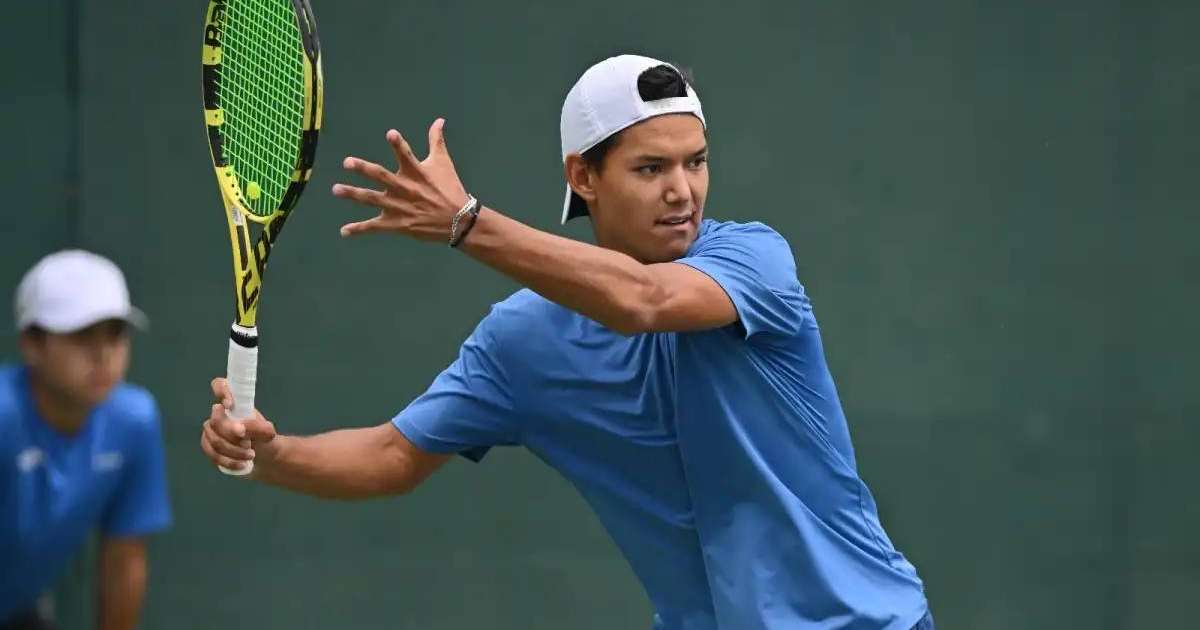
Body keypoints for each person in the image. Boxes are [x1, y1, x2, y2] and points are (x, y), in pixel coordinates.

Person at [200, 54, 933, 629]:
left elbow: (642, 300)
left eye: (695, 161)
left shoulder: (755, 261)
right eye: (652, 168)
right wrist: (273, 457)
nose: (683, 190)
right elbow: (394, 455)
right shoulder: (523, 342)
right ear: (583, 176)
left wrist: (465, 222)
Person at [1, 251, 172, 630]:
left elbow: (123, 561)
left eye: (115, 334)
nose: (103, 354)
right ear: (32, 343)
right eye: (81, 335)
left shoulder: (134, 422)